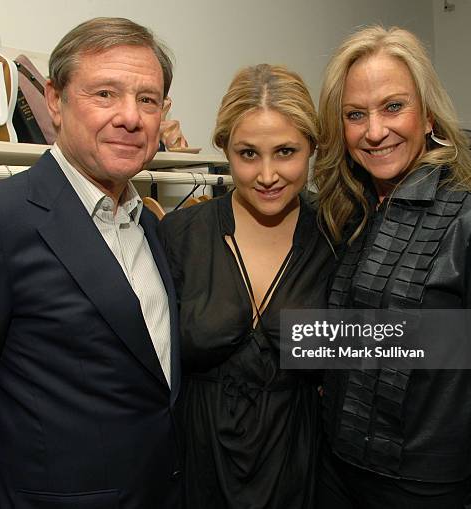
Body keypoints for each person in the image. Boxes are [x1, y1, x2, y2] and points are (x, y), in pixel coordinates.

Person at [0, 17, 182, 508]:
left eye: (148, 99)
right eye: (105, 94)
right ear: (56, 101)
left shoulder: (149, 224)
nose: (130, 116)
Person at [314, 25, 471, 508]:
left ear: (428, 114)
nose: (374, 131)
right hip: (336, 473)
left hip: (425, 489)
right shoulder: (349, 215)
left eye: (393, 106)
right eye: (355, 114)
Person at [158, 64, 335, 508]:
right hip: (197, 467)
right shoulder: (181, 234)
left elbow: (381, 344)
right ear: (224, 148)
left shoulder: (338, 237)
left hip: (300, 468)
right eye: (248, 154)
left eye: (286, 152)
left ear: (312, 147)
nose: (268, 174)